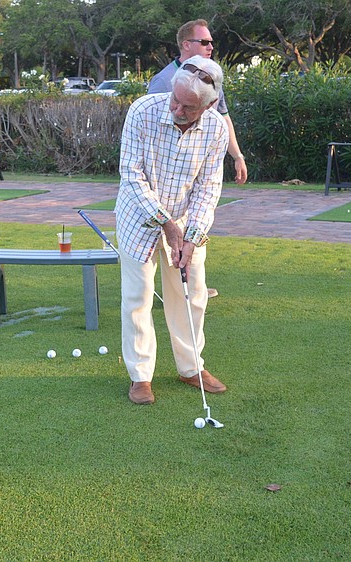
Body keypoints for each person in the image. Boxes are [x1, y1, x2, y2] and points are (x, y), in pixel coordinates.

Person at [117, 55, 229, 405]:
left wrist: (191, 236)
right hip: (139, 215)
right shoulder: (141, 111)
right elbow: (131, 174)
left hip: (185, 220)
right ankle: (140, 376)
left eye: (188, 107)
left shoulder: (216, 129)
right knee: (138, 296)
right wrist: (166, 224)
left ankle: (191, 367)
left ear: (209, 105)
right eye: (175, 99)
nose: (177, 109)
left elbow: (208, 189)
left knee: (192, 295)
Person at [149, 19, 247, 185]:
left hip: (203, 171)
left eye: (211, 42)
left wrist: (238, 156)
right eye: (204, 42)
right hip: (167, 175)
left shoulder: (212, 80)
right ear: (186, 45)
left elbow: (223, 118)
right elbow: (151, 130)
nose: (210, 47)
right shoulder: (163, 81)